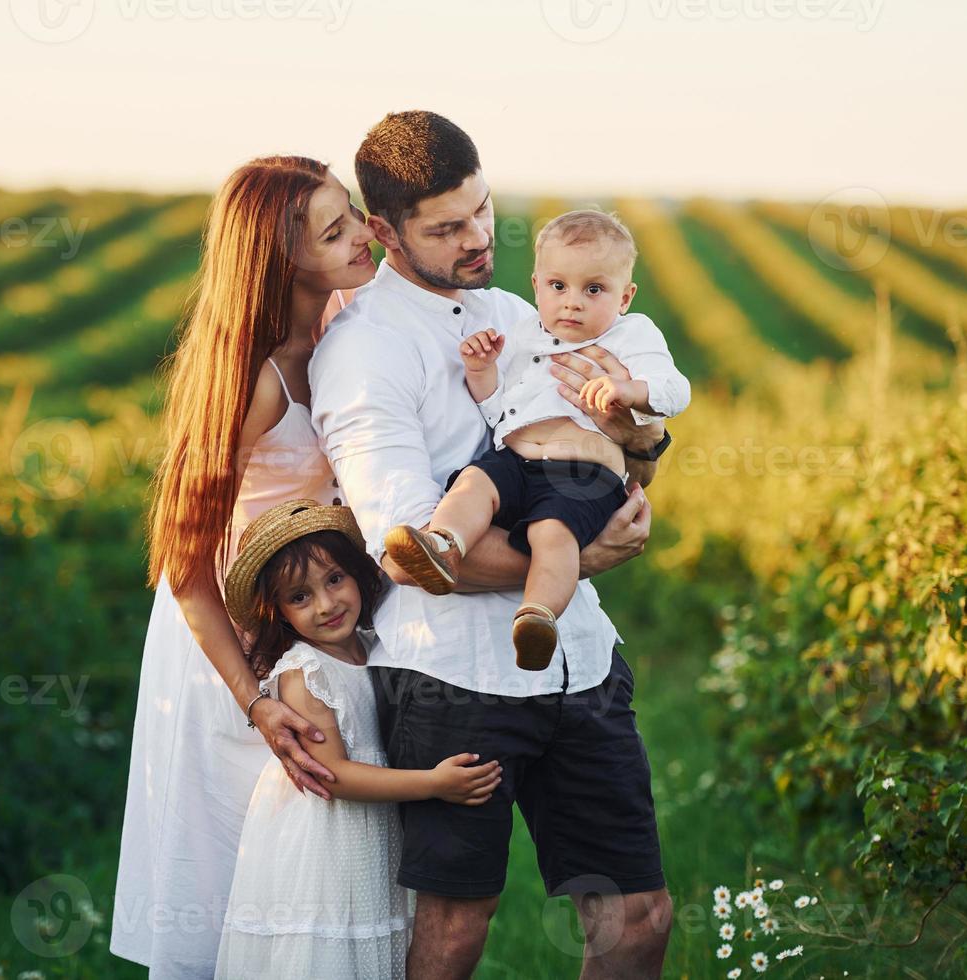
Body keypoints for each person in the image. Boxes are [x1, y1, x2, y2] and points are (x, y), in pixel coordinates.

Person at [308, 111, 674, 978]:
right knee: (454, 932)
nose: (478, 238)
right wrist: (580, 560)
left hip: (577, 664)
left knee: (639, 916)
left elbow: (623, 456)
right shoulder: (364, 353)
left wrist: (646, 442)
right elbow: (406, 552)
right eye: (446, 227)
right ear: (383, 231)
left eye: (482, 211)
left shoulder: (524, 309)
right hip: (453, 678)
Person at [111, 156, 377, 979]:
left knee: (297, 869)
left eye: (355, 214)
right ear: (280, 259)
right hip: (224, 646)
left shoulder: (345, 322)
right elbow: (184, 562)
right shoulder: (254, 378)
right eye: (335, 232)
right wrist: (255, 699)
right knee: (228, 866)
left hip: (300, 625)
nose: (364, 236)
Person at [384, 208, 690, 670]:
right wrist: (481, 371)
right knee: (472, 484)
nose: (572, 303)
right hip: (517, 459)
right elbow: (499, 409)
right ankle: (444, 545)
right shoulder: (526, 333)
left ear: (625, 297)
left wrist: (631, 391)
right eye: (558, 287)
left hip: (582, 472)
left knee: (553, 534)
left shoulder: (631, 334)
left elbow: (675, 389)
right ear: (537, 286)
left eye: (594, 290)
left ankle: (538, 615)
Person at [213, 498, 502, 979]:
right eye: (300, 597)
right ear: (280, 613)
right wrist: (434, 783)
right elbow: (336, 776)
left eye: (334, 580)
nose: (326, 605)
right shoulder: (306, 672)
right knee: (330, 954)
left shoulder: (375, 646)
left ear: (357, 574)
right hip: (328, 844)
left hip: (367, 838)